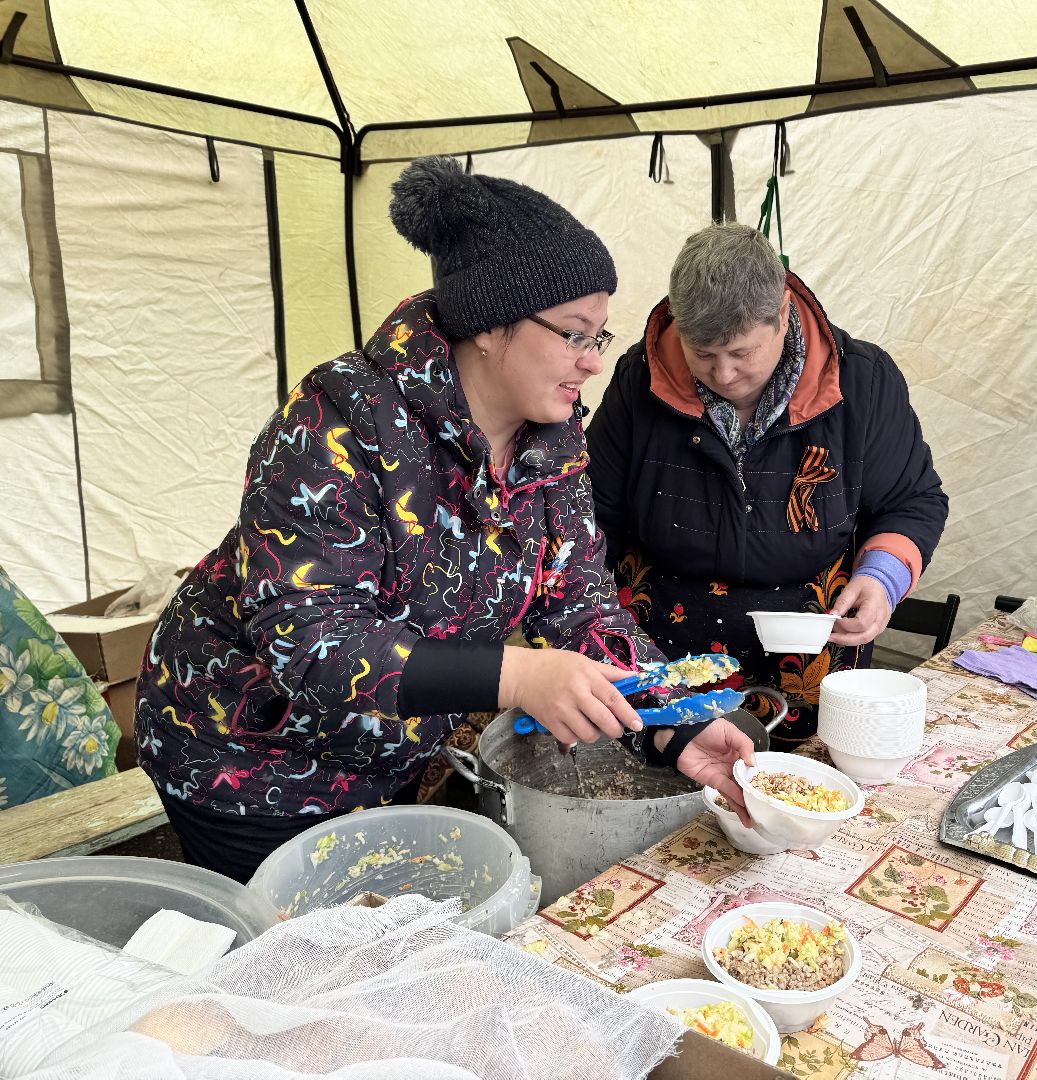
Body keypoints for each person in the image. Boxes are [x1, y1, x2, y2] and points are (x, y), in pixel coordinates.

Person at [135, 158, 754, 882]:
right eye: (574, 334)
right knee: (295, 964)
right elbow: (312, 643)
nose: (592, 363)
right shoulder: (338, 423)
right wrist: (518, 674)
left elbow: (582, 610)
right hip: (247, 759)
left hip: (387, 752)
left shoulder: (550, 442)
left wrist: (677, 721)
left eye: (600, 338)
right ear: (491, 326)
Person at [586, 224, 947, 748]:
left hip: (810, 652)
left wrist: (884, 578)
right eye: (703, 354)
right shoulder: (639, 379)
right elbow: (594, 513)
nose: (724, 374)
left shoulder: (862, 381)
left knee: (798, 794)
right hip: (664, 647)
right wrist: (588, 625)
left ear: (781, 313)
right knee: (670, 798)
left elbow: (912, 500)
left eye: (740, 352)